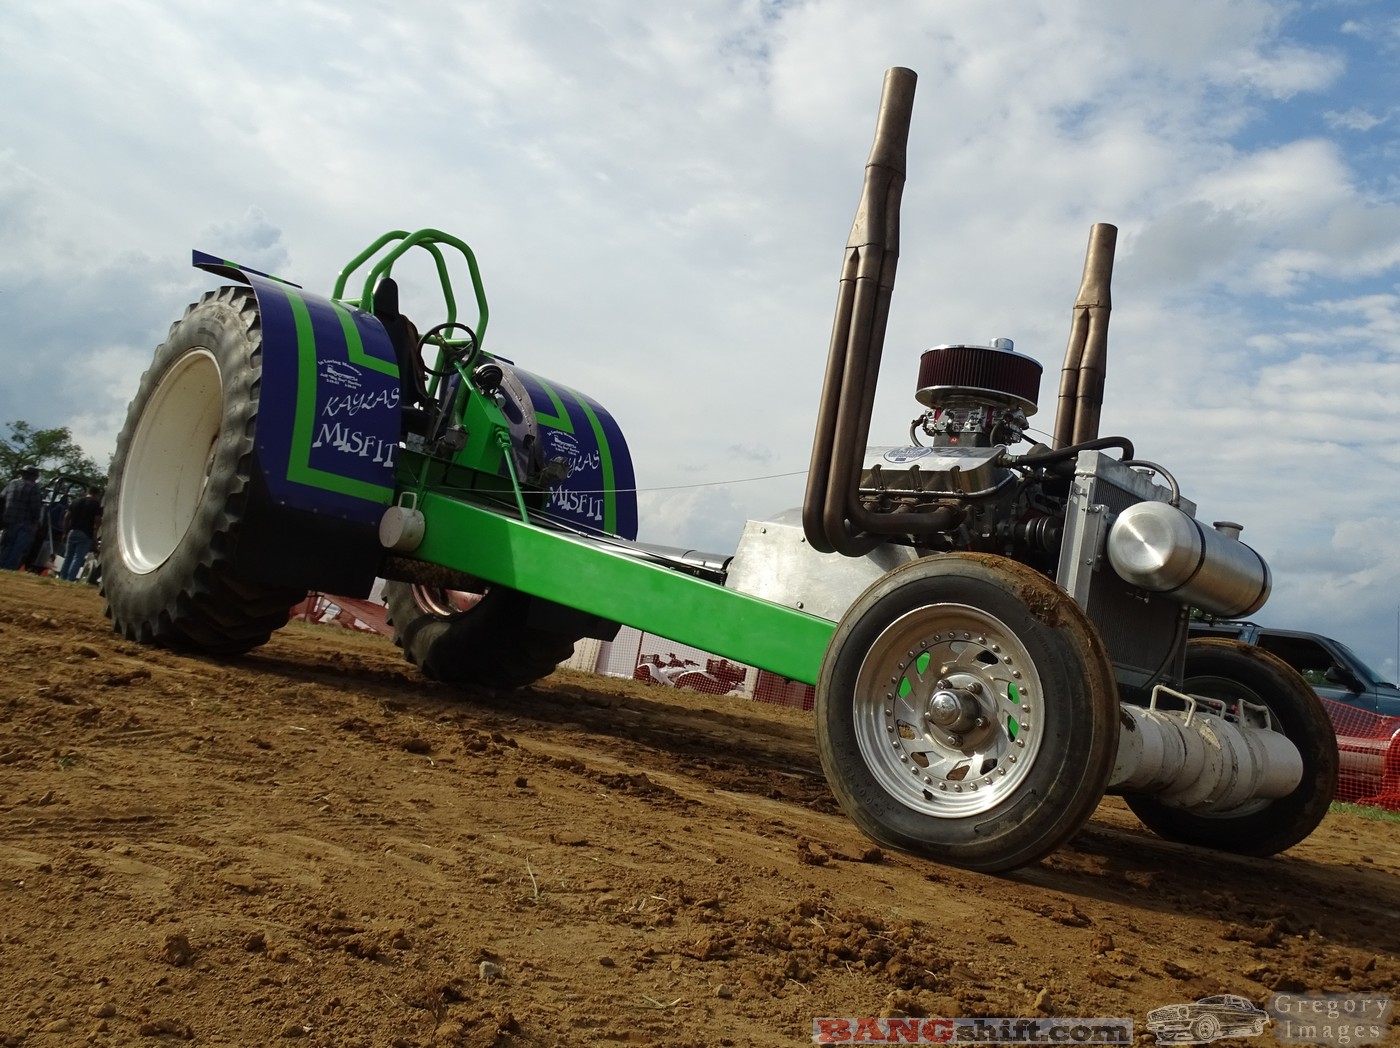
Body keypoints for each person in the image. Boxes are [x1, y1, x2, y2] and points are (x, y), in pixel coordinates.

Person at [0, 465, 43, 571]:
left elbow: (2, 499)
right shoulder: (33, 487)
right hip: (25, 522)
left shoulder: (12, 484)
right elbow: (35, 507)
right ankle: (9, 568)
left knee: (6, 545)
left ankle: (1, 566)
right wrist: (37, 521)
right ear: (33, 476)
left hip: (8, 520)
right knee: (18, 548)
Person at [60, 486, 103, 582]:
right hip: (85, 533)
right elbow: (97, 521)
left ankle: (62, 577)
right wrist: (95, 536)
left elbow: (67, 517)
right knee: (78, 558)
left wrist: (65, 532)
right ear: (97, 494)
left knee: (68, 556)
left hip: (72, 532)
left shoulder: (76, 501)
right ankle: (70, 579)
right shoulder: (96, 505)